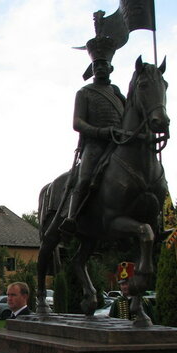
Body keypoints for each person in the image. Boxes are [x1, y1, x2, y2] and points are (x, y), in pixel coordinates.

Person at [60, 35, 126, 233]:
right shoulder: (84, 92)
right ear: (92, 70)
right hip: (95, 144)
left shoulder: (118, 94)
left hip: (119, 143)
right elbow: (77, 122)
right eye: (96, 65)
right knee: (85, 178)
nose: (100, 68)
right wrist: (101, 131)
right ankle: (71, 217)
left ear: (110, 68)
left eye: (103, 65)